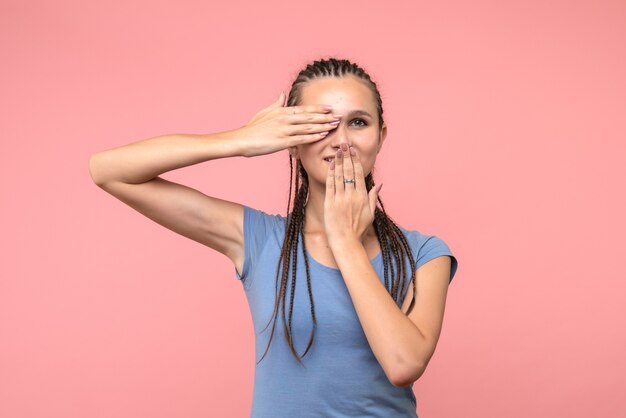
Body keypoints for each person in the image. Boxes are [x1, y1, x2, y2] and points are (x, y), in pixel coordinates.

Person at [89, 57, 458, 418]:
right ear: (292, 143)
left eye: (358, 122)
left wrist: (345, 242)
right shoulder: (262, 240)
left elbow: (403, 363)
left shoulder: (424, 254)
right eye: (321, 125)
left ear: (381, 137)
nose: (341, 141)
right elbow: (107, 171)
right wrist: (239, 140)